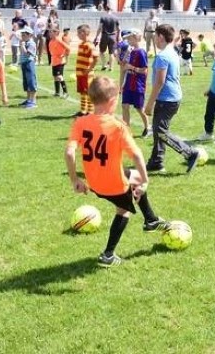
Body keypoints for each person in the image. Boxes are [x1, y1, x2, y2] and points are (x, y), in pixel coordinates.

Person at [65, 75, 167, 268]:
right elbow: (137, 155)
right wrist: (146, 181)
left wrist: (75, 180)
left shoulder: (81, 122)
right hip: (113, 184)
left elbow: (70, 153)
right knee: (124, 210)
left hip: (94, 181)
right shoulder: (118, 127)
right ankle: (108, 255)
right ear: (113, 101)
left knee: (133, 177)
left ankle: (151, 220)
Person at [144, 24, 201, 174]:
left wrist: (149, 104)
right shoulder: (172, 52)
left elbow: (159, 82)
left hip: (167, 99)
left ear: (161, 37)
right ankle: (156, 161)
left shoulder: (163, 56)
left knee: (161, 131)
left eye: (156, 36)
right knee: (158, 130)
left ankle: (190, 153)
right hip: (172, 98)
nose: (154, 39)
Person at [120, 30, 150, 137]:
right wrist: (127, 54)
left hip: (138, 85)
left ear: (136, 38)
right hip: (128, 84)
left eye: (130, 38)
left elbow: (145, 70)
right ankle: (126, 130)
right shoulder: (131, 51)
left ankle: (147, 127)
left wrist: (132, 67)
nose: (128, 40)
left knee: (139, 108)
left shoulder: (141, 52)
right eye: (127, 39)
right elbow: (122, 65)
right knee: (124, 106)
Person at [74, 24, 99, 117]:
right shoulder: (81, 44)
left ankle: (90, 112)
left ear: (84, 33)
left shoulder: (89, 45)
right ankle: (83, 111)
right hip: (80, 73)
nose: (77, 35)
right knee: (82, 92)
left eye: (79, 33)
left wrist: (90, 69)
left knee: (88, 92)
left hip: (87, 74)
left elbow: (96, 58)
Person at [95, 4, 120, 71]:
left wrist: (96, 36)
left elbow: (100, 28)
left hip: (104, 36)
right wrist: (118, 37)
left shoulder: (103, 17)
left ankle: (104, 65)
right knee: (111, 53)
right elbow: (118, 29)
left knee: (101, 51)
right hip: (113, 36)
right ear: (111, 9)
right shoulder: (115, 18)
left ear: (105, 9)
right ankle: (111, 68)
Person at [47, 27, 71, 98]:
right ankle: (57, 92)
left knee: (59, 77)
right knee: (55, 77)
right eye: (49, 32)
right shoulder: (51, 41)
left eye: (51, 32)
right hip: (54, 62)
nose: (50, 34)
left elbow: (68, 48)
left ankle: (65, 92)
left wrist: (64, 55)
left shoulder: (59, 40)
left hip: (60, 62)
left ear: (56, 33)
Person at [18, 27, 38, 109]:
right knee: (26, 83)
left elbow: (27, 54)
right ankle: (28, 99)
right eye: (22, 35)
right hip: (24, 64)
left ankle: (33, 101)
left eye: (24, 35)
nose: (22, 36)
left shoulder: (31, 43)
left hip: (29, 64)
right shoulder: (25, 42)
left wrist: (22, 46)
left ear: (30, 35)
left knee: (31, 82)